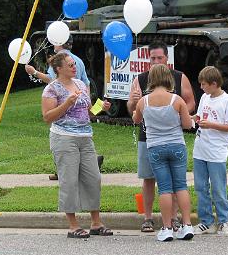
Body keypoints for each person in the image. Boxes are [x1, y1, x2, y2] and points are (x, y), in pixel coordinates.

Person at [42, 52, 113, 238]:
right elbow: (47, 117)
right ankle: (73, 226)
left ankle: (96, 223)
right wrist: (66, 103)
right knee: (69, 180)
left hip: (85, 137)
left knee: (93, 178)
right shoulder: (52, 89)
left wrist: (101, 108)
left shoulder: (80, 84)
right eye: (71, 65)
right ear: (59, 69)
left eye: (74, 64)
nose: (75, 67)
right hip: (64, 138)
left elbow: (87, 111)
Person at [127, 40, 196, 233]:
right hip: (148, 139)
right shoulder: (139, 79)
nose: (156, 61)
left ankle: (172, 221)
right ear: (148, 60)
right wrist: (132, 102)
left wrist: (176, 113)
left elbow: (190, 102)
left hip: (162, 141)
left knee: (169, 185)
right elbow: (132, 110)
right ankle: (149, 218)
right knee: (151, 179)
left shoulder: (179, 77)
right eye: (153, 58)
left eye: (160, 57)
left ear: (167, 58)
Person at [26, 35, 104, 180]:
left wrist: (34, 72)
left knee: (78, 176)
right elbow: (86, 83)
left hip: (73, 130)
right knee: (75, 175)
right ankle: (82, 163)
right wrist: (86, 97)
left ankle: (75, 166)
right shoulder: (78, 60)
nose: (73, 67)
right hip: (76, 126)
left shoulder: (61, 61)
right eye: (71, 66)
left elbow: (53, 80)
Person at [192, 66, 228, 235]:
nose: (201, 87)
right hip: (200, 149)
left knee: (218, 188)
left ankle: (225, 220)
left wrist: (211, 124)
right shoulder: (205, 97)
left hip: (216, 151)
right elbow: (199, 116)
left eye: (204, 84)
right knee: (201, 187)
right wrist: (192, 119)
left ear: (214, 83)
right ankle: (206, 221)